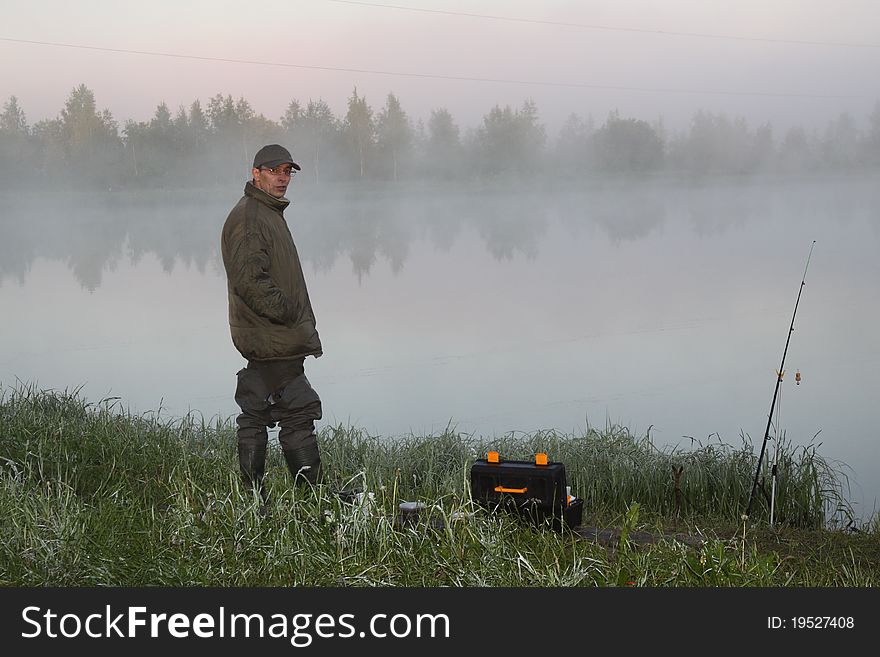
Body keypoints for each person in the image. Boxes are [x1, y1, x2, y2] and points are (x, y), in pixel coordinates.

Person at [221, 144, 324, 504]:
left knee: (256, 409)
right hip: (272, 334)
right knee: (298, 411)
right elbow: (250, 281)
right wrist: (289, 311)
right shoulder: (251, 217)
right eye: (275, 171)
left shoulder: (266, 212)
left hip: (267, 335)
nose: (283, 178)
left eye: (288, 172)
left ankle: (253, 500)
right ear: (256, 173)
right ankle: (311, 501)